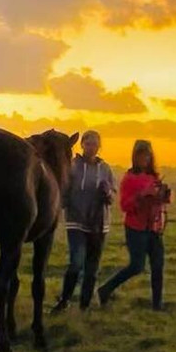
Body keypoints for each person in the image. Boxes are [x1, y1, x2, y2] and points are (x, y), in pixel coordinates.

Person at [97, 139, 171, 310]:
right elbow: (124, 206)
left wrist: (164, 196)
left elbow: (160, 202)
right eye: (141, 155)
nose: (144, 159)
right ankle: (105, 289)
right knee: (136, 266)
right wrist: (142, 195)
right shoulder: (129, 179)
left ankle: (157, 305)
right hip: (136, 228)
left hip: (154, 227)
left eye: (147, 155)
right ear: (135, 157)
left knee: (158, 266)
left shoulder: (154, 177)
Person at [51, 130, 115, 312]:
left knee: (92, 267)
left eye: (95, 144)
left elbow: (112, 194)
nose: (91, 147)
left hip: (98, 223)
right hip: (76, 220)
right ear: (82, 145)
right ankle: (64, 299)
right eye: (88, 144)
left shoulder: (105, 169)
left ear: (99, 147)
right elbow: (63, 189)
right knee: (76, 262)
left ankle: (84, 306)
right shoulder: (73, 166)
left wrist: (107, 192)